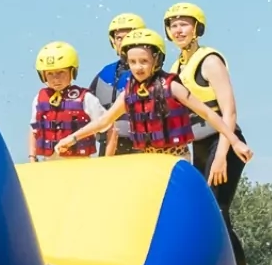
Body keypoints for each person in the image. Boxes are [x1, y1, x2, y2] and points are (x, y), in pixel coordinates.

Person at [56, 30, 251, 184]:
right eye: (132, 62)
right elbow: (104, 121)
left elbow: (207, 113)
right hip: (148, 161)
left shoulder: (171, 86)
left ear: (156, 60)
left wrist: (234, 141)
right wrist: (72, 138)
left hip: (176, 160)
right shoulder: (129, 93)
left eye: (144, 61)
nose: (138, 67)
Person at [163, 2, 249, 265]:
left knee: (216, 210)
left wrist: (222, 155)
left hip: (222, 143)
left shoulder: (210, 60)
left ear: (197, 28)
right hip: (199, 147)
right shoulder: (176, 66)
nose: (178, 30)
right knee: (200, 210)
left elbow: (229, 113)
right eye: (173, 25)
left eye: (184, 24)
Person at [28, 41, 105, 162]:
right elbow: (34, 130)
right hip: (49, 162)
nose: (55, 78)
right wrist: (32, 157)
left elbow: (109, 126)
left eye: (61, 72)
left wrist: (108, 158)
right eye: (50, 74)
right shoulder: (39, 98)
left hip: (79, 162)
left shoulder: (86, 98)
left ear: (72, 71)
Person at [89, 12, 144, 156]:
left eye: (128, 37)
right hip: (107, 147)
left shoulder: (151, 75)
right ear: (113, 41)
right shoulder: (104, 74)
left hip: (142, 148)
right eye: (119, 38)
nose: (123, 42)